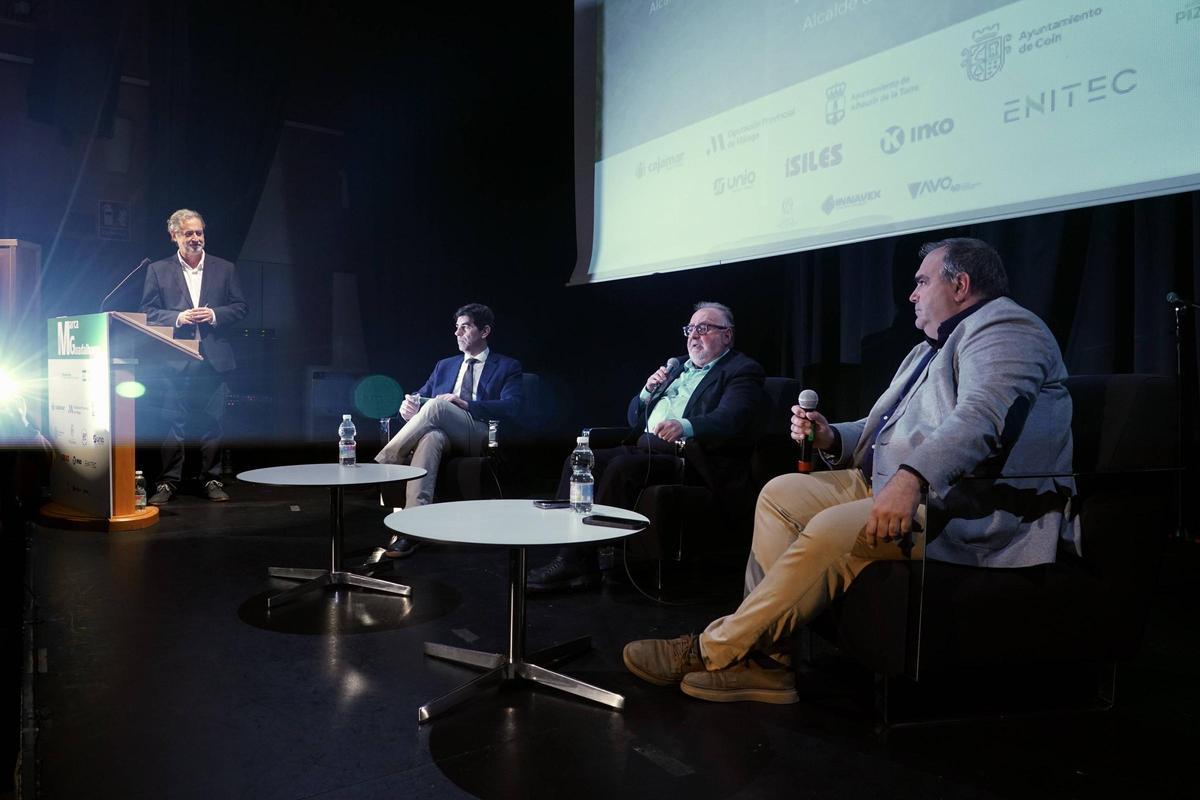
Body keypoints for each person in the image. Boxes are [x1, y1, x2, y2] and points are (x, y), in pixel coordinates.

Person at [623, 238, 1075, 704]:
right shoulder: (927, 350)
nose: (912, 295)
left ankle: (713, 649)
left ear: (960, 285)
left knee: (829, 528)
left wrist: (912, 477)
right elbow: (882, 426)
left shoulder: (1006, 327)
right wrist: (831, 436)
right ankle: (770, 665)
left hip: (969, 502)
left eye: (922, 282)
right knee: (782, 493)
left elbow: (981, 418)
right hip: (897, 482)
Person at [527, 301, 765, 591]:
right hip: (646, 446)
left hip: (689, 456)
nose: (693, 335)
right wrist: (645, 393)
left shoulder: (741, 370)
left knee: (622, 468)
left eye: (703, 328)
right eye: (690, 329)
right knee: (580, 460)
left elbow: (732, 418)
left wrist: (685, 426)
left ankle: (581, 562)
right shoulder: (676, 367)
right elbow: (633, 418)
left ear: (727, 335)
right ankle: (565, 551)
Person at [374, 303, 523, 558]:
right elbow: (420, 398)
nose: (457, 333)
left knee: (436, 406)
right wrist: (407, 408)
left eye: (465, 327)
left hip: (479, 432)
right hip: (444, 432)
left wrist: (466, 404)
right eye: (456, 327)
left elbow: (513, 407)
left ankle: (385, 463)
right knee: (431, 436)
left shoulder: (507, 366)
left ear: (484, 331)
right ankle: (413, 528)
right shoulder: (444, 365)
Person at [140, 209, 248, 504]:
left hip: (214, 359)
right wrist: (178, 317)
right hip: (175, 359)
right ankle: (167, 482)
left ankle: (211, 479)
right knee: (174, 423)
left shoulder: (224, 268)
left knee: (212, 423)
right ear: (174, 235)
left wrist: (214, 314)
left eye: (199, 232)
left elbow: (240, 307)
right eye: (188, 233)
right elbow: (147, 312)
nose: (195, 238)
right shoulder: (158, 270)